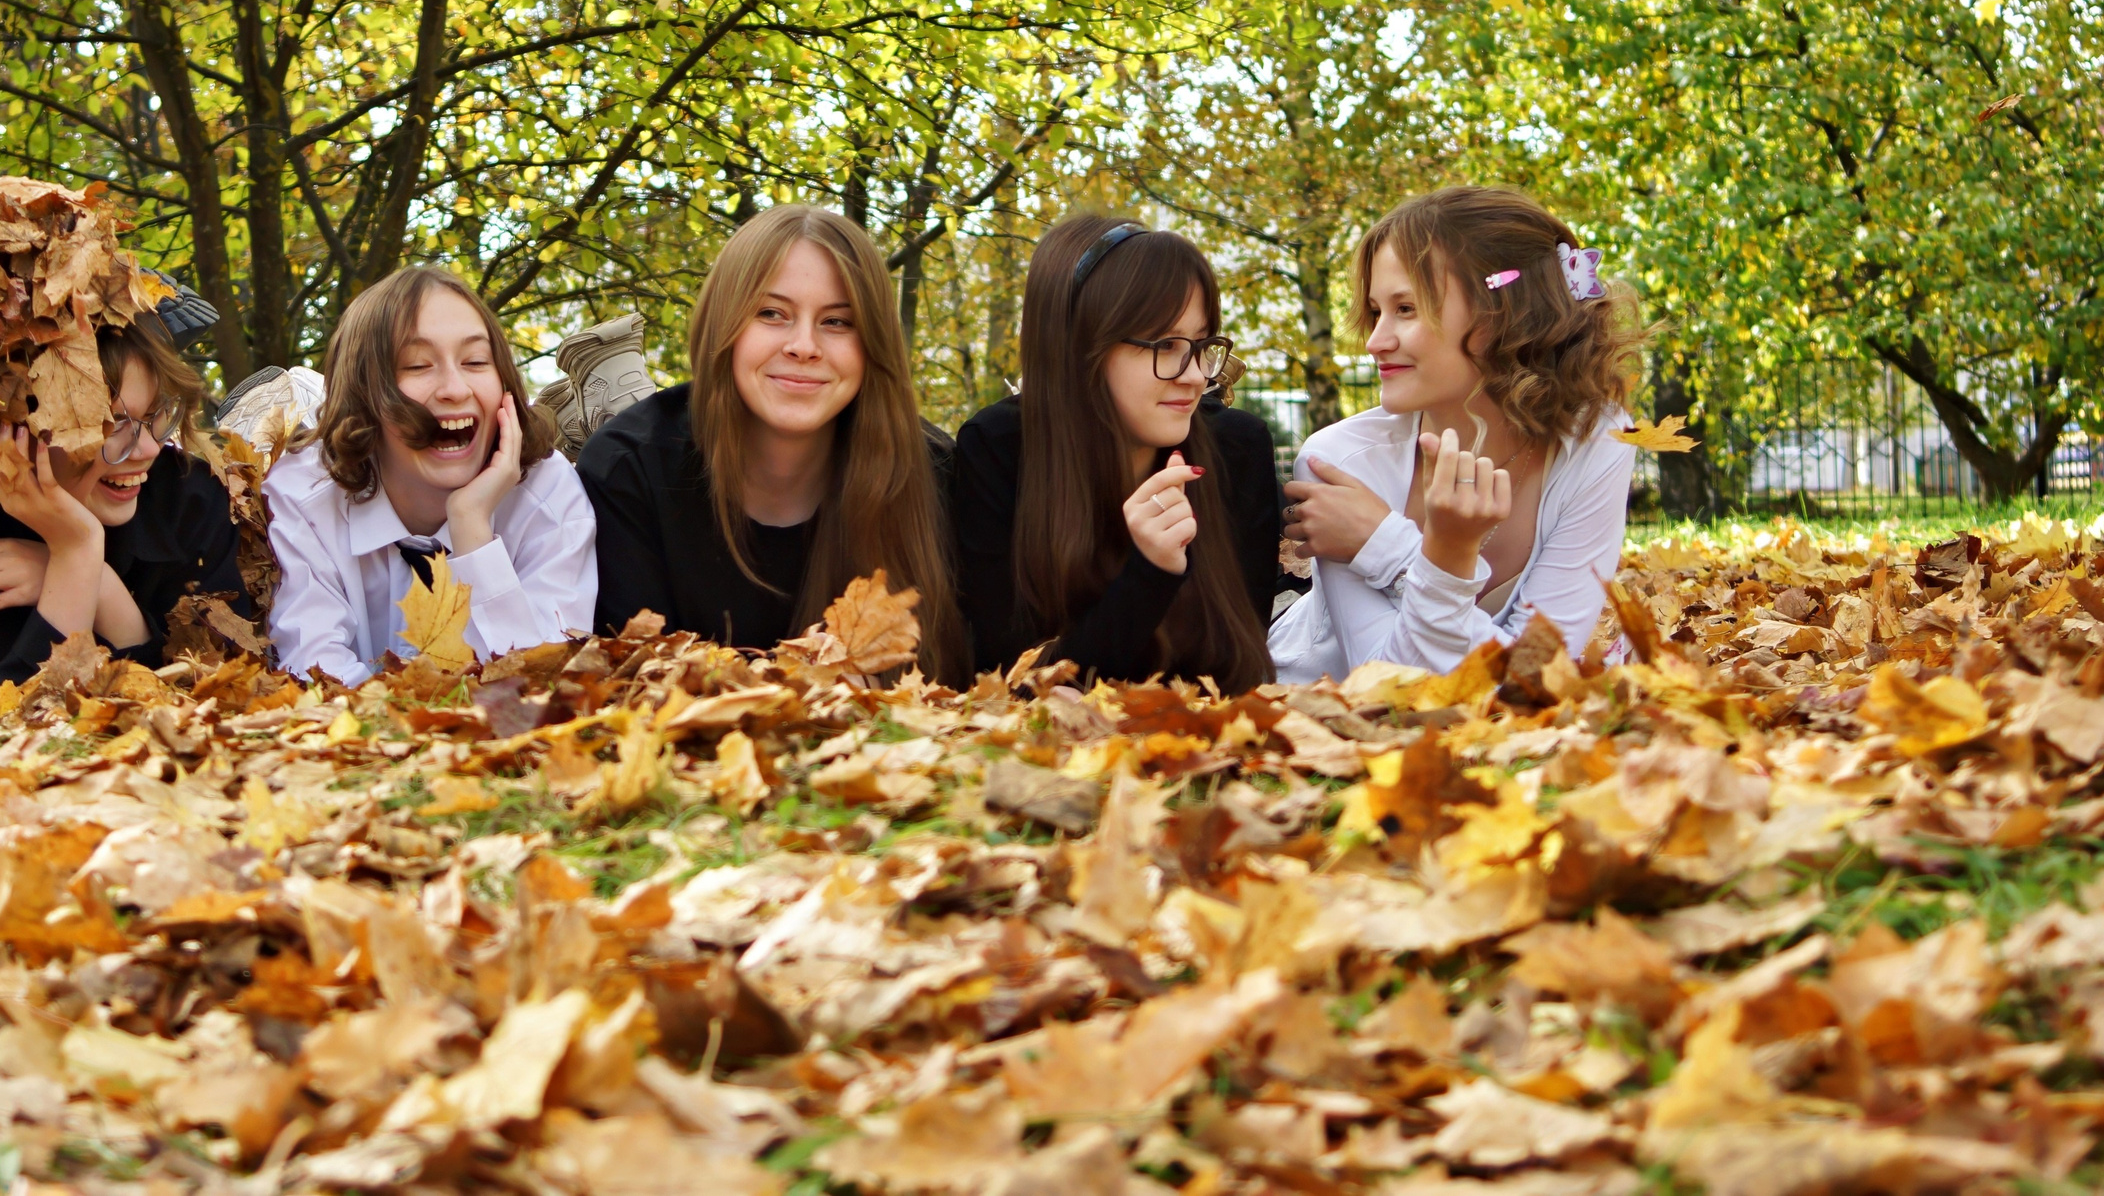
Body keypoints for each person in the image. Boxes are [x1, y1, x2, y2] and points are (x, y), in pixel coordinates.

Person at [577, 205, 964, 681]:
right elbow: (626, 689)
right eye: (771, 313)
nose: (804, 345)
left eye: (838, 322)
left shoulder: (935, 474)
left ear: (873, 344)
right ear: (726, 328)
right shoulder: (629, 469)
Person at [1274, 185, 1645, 681]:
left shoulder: (1596, 440)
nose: (1375, 341)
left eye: (1406, 309)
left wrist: (1388, 546)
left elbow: (1536, 672)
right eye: (1376, 311)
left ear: (1503, 314)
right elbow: (1389, 688)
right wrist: (1441, 559)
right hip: (1311, 715)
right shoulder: (1339, 461)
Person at [950, 217, 1279, 690]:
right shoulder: (1001, 448)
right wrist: (1149, 575)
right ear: (1079, 349)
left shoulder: (1234, 449)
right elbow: (1012, 685)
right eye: (1166, 345)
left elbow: (1238, 673)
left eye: (1202, 344)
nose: (1193, 376)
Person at [0, 315, 244, 710]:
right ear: (13, 427)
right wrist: (78, 555)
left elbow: (223, 692)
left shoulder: (190, 498)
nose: (147, 450)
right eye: (109, 425)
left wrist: (91, 578)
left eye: (156, 415)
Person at [264, 266, 596, 685]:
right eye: (418, 366)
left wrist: (472, 532)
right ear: (362, 395)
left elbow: (543, 686)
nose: (455, 389)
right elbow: (313, 674)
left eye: (476, 361)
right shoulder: (305, 497)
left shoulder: (549, 495)